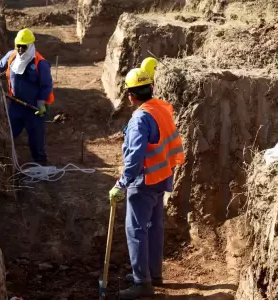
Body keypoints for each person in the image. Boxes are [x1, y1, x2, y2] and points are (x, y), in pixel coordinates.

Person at [109, 68, 185, 299]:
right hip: (162, 176)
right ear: (151, 88)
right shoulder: (161, 108)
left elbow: (134, 158)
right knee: (154, 227)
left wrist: (121, 184)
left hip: (145, 181)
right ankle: (154, 273)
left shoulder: (140, 118)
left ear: (131, 95)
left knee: (136, 230)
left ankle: (143, 283)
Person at [0, 28, 54, 165]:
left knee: (36, 139)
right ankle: (6, 162)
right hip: (15, 106)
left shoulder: (41, 63)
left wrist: (41, 103)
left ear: (31, 45)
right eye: (18, 46)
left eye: (24, 46)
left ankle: (40, 164)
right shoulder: (11, 56)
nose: (20, 49)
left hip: (33, 108)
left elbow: (46, 85)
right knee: (9, 134)